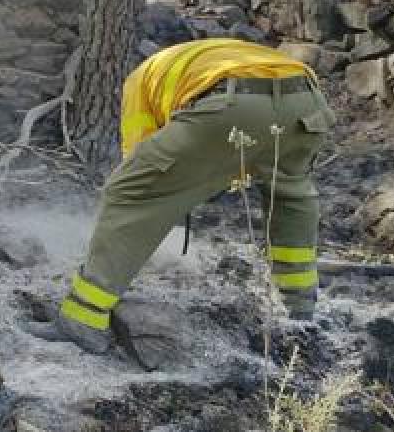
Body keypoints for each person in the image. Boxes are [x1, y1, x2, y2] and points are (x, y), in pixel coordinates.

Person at [29, 38, 336, 354]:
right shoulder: (203, 57)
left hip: (235, 105)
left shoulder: (138, 82)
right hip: (307, 103)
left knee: (127, 192)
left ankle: (84, 317)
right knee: (289, 196)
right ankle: (299, 310)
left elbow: (140, 165)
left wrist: (173, 193)